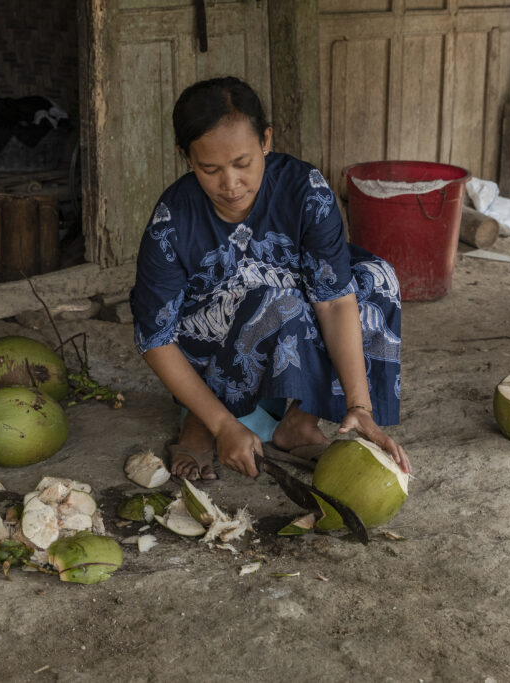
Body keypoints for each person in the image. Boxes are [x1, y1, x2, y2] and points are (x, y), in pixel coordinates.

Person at [129, 76, 411, 481]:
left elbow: (333, 300)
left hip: (288, 304)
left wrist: (359, 406)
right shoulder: (172, 220)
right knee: (275, 299)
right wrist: (224, 426)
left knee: (375, 279)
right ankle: (201, 419)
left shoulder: (305, 191)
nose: (230, 184)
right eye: (210, 169)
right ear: (186, 157)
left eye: (242, 163)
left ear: (266, 140)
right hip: (210, 339)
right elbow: (155, 338)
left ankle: (299, 421)